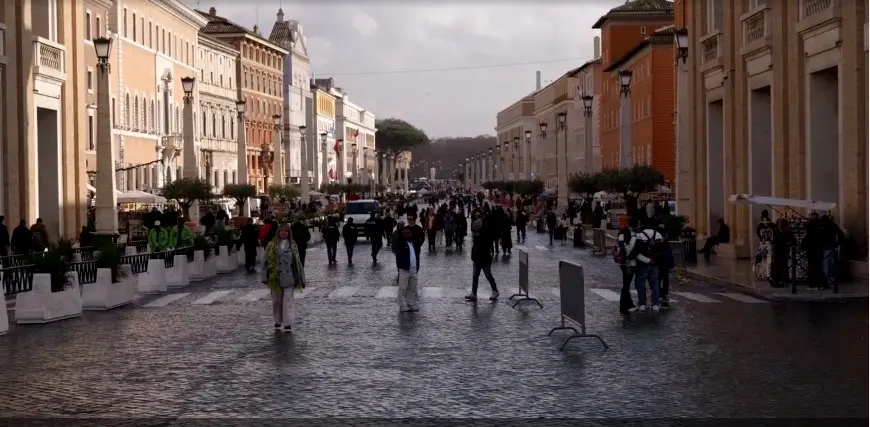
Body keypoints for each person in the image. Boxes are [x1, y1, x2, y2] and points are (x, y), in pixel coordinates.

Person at [263, 224, 306, 333]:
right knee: (277, 301)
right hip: (275, 277)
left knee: (288, 301)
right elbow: (265, 262)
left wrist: (301, 278)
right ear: (278, 232)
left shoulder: (293, 246)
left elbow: (298, 263)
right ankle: (277, 320)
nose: (284, 233)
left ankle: (288, 324)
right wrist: (264, 277)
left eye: (286, 231)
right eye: (282, 231)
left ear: (289, 233)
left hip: (288, 277)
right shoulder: (271, 245)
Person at [625, 220, 666, 312]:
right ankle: (655, 303)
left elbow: (636, 252)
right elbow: (662, 251)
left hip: (643, 263)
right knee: (655, 283)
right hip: (655, 263)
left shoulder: (640, 235)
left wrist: (647, 260)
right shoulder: (658, 234)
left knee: (640, 283)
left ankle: (642, 303)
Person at [465, 211, 500, 301]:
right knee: (475, 275)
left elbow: (486, 245)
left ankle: (495, 290)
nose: (474, 231)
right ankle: (474, 293)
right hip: (477, 257)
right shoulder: (478, 235)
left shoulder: (485, 235)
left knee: (488, 274)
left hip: (484, 257)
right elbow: (475, 246)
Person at [392, 222, 420, 312]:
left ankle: (411, 303)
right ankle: (403, 304)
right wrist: (400, 230)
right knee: (403, 288)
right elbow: (396, 243)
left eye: (409, 233)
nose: (409, 234)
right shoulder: (401, 243)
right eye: (406, 233)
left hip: (413, 268)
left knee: (412, 287)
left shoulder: (412, 242)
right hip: (404, 268)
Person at [615, 220, 636, 314]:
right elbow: (632, 250)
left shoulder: (620, 237)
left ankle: (629, 304)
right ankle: (623, 306)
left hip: (622, 263)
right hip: (630, 264)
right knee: (626, 285)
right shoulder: (633, 238)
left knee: (626, 283)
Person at [656, 223, 675, 309]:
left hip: (661, 263)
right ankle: (663, 294)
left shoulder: (662, 240)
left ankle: (663, 294)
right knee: (662, 279)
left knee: (662, 279)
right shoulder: (661, 240)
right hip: (662, 263)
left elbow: (668, 253)